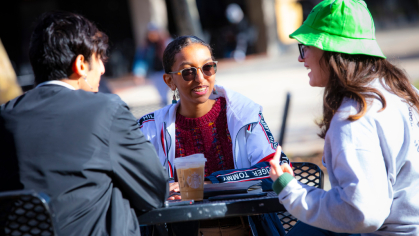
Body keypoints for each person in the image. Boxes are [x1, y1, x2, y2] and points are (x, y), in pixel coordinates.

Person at [0, 11, 168, 236]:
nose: (103, 69)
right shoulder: (105, 110)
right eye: (99, 59)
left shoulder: (5, 116)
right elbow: (154, 191)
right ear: (80, 64)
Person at [268, 0, 419, 235]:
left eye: (306, 46)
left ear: (331, 51)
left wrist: (290, 190)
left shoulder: (353, 118)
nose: (301, 57)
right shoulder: (401, 91)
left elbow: (362, 213)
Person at [138, 35, 288, 235]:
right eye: (188, 72)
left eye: (207, 67)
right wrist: (163, 190)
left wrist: (206, 184)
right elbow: (132, 183)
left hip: (245, 227)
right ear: (169, 80)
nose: (200, 79)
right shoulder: (149, 128)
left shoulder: (243, 114)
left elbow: (276, 170)